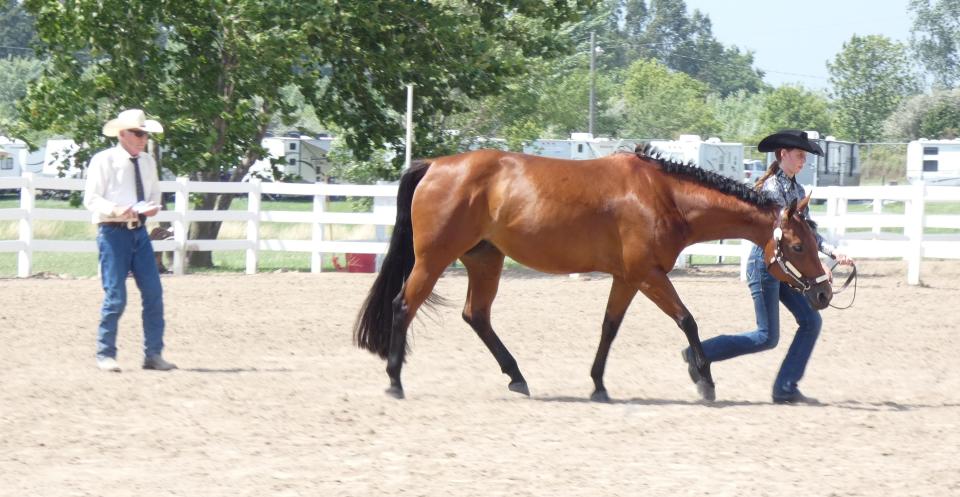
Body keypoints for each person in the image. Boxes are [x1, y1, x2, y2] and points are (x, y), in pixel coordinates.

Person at [682, 129, 854, 404]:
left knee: (810, 321)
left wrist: (832, 252)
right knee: (766, 336)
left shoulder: (797, 190)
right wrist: (818, 265)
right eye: (800, 155)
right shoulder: (773, 189)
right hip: (765, 265)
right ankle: (698, 353)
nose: (803, 161)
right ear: (783, 154)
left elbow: (806, 236)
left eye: (805, 157)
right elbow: (786, 238)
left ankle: (785, 388)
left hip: (784, 267)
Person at [84, 109, 176, 372]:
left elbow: (155, 196)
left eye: (144, 133)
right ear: (122, 134)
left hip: (139, 232)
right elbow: (91, 199)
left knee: (154, 294)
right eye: (138, 133)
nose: (143, 138)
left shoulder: (147, 162)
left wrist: (152, 208)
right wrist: (116, 210)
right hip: (113, 232)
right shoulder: (103, 160)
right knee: (116, 297)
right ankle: (105, 353)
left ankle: (153, 354)